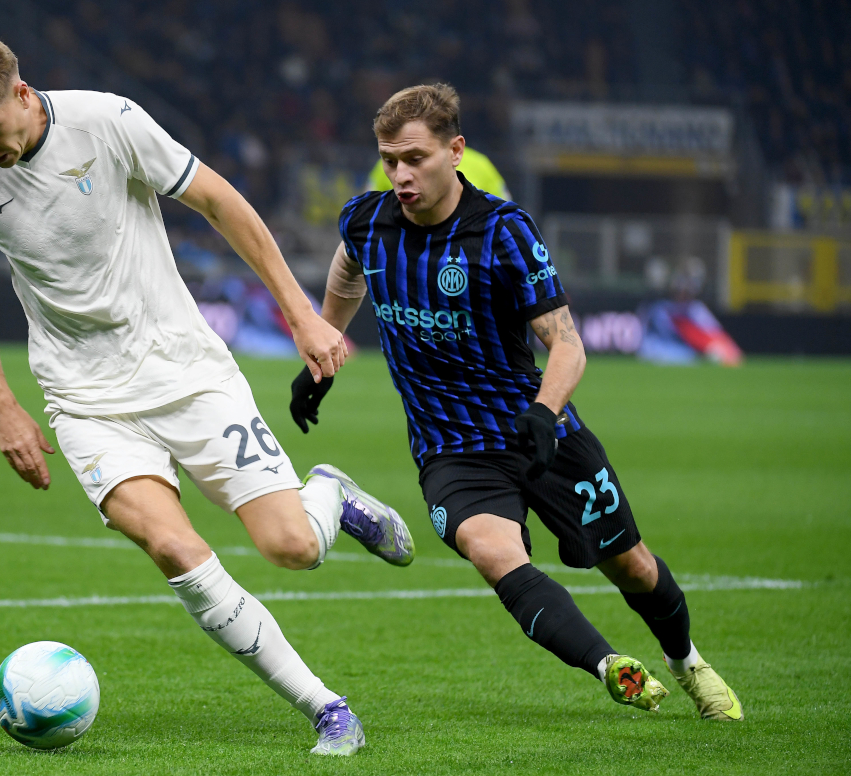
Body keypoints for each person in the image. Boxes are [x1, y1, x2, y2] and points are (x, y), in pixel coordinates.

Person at [0, 29, 416, 755]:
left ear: (21, 95)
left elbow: (219, 200)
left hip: (186, 373)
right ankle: (326, 708)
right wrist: (1, 402)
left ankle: (329, 496)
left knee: (291, 547)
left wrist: (299, 314)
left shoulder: (109, 122)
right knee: (172, 546)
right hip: (86, 401)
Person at [291, 84, 743, 721]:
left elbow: (568, 346)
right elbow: (347, 270)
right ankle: (610, 666)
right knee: (494, 554)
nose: (400, 175)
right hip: (450, 448)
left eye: (415, 158)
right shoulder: (366, 221)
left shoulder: (503, 231)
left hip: (539, 432)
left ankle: (687, 663)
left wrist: (544, 413)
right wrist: (325, 349)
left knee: (634, 567)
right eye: (390, 160)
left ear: (455, 151)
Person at [366, 145, 510, 200]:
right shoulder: (387, 164)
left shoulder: (480, 164)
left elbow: (504, 215)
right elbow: (370, 212)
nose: (402, 178)